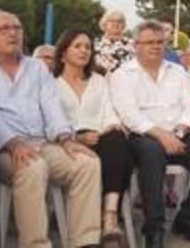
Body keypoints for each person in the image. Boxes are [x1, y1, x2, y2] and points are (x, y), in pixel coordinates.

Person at [0, 11, 102, 248]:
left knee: (86, 163)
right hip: (2, 150)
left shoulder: (37, 68)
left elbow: (52, 107)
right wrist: (12, 142)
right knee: (32, 167)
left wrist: (66, 138)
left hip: (43, 143)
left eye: (17, 28)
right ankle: (35, 244)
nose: (13, 33)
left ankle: (84, 242)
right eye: (4, 29)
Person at [110, 20, 190, 247]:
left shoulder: (178, 71)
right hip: (144, 136)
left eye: (160, 41)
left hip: (180, 133)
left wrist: (181, 129)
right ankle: (154, 229)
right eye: (149, 42)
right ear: (136, 45)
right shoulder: (123, 75)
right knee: (152, 157)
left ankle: (185, 220)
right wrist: (162, 136)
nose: (155, 46)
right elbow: (129, 114)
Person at [53, 28, 133, 246]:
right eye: (77, 46)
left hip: (100, 137)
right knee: (118, 155)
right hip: (66, 142)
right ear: (63, 53)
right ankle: (102, 218)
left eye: (88, 46)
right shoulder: (51, 83)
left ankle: (109, 215)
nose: (84, 51)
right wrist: (76, 138)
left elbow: (109, 113)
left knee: (118, 140)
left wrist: (106, 129)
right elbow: (49, 121)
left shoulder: (98, 80)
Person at [95, 9, 133, 74]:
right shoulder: (95, 45)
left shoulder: (133, 45)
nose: (116, 24)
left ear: (123, 25)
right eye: (112, 21)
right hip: (102, 82)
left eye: (119, 21)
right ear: (104, 23)